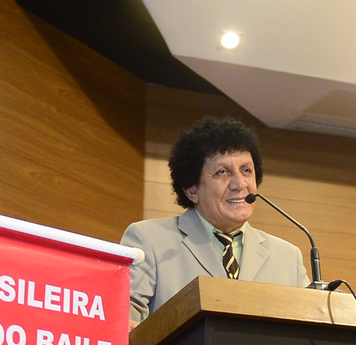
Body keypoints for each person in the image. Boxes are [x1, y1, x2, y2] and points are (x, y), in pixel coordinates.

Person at [120, 115, 309, 323]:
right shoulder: (149, 240)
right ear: (192, 190)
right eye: (222, 172)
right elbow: (121, 321)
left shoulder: (288, 257)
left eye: (246, 170)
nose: (240, 184)